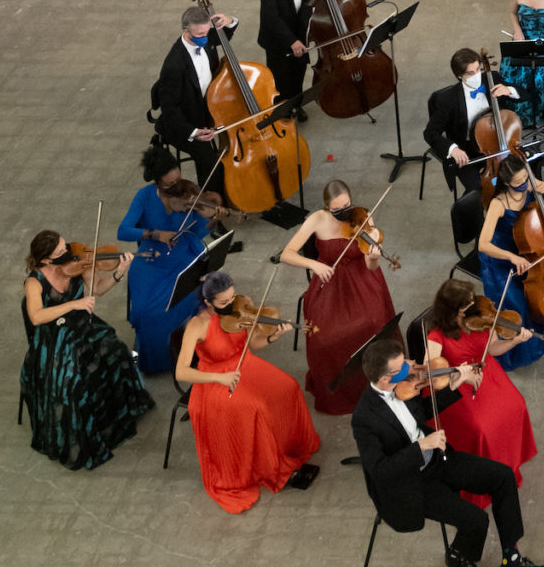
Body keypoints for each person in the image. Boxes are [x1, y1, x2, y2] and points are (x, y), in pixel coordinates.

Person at [351, 330, 544, 567]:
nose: (410, 368)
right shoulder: (364, 419)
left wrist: (453, 385)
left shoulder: (404, 388)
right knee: (476, 520)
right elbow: (380, 471)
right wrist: (420, 446)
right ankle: (459, 556)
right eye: (402, 368)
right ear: (384, 379)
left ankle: (511, 559)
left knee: (503, 477)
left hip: (436, 460)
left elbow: (421, 412)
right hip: (411, 484)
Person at [175, 269, 321, 513]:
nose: (231, 304)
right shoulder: (197, 325)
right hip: (214, 380)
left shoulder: (240, 308)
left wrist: (274, 336)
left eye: (232, 297)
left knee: (288, 387)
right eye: (224, 302)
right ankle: (270, 465)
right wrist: (220, 378)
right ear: (208, 302)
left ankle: (288, 446)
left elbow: (252, 344)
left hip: (244, 364)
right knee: (257, 408)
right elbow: (181, 372)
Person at [20, 230, 154, 471]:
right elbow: (37, 316)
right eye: (60, 252)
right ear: (46, 260)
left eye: (65, 246)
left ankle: (115, 414)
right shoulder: (34, 282)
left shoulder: (79, 262)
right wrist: (74, 304)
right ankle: (82, 429)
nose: (68, 253)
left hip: (83, 327)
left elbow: (98, 289)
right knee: (72, 382)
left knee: (118, 351)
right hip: (54, 338)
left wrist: (119, 272)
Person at [279, 179, 399, 415]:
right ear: (327, 207)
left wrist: (374, 257)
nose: (344, 212)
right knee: (323, 339)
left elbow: (371, 266)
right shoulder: (317, 219)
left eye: (347, 206)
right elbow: (286, 254)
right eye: (337, 209)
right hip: (329, 281)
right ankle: (337, 390)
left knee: (374, 324)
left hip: (362, 280)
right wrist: (314, 264)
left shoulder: (363, 217)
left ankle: (373, 384)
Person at [423, 277, 537, 483]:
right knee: (482, 428)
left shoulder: (482, 318)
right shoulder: (437, 335)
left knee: (517, 405)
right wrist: (460, 374)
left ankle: (509, 464)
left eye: (472, 299)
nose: (474, 305)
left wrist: (515, 340)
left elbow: (492, 349)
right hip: (456, 383)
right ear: (455, 309)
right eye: (468, 304)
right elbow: (431, 373)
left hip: (484, 370)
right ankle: (486, 476)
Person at [116, 143, 212, 375]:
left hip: (184, 255)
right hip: (151, 259)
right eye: (169, 184)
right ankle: (156, 359)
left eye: (178, 179)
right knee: (145, 312)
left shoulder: (191, 192)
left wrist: (208, 216)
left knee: (190, 297)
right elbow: (123, 231)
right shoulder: (145, 196)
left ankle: (188, 347)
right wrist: (155, 234)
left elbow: (199, 231)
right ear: (157, 182)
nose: (176, 187)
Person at [469, 155, 544, 368]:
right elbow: (483, 245)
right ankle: (516, 348)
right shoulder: (498, 203)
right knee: (517, 303)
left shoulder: (528, 184)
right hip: (499, 259)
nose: (523, 184)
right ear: (507, 183)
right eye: (518, 182)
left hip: (527, 249)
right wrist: (511, 257)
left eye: (525, 179)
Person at [423, 46, 520, 199]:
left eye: (478, 69)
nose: (477, 75)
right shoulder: (448, 99)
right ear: (459, 75)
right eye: (471, 73)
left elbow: (524, 94)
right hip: (467, 152)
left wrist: (510, 90)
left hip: (498, 144)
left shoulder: (491, 78)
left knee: (524, 175)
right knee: (477, 189)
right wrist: (453, 149)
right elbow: (430, 133)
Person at [255, 0, 331, 115]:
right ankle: (282, 111)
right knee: (280, 76)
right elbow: (271, 17)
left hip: (299, 25)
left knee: (298, 70)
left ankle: (296, 104)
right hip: (278, 35)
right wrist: (291, 41)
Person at [154, 2, 238, 164]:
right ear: (186, 31)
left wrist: (230, 20)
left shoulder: (205, 37)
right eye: (200, 34)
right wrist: (193, 132)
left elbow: (225, 34)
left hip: (210, 106)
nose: (205, 37)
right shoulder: (174, 65)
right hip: (188, 119)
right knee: (209, 161)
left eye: (207, 32)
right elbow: (170, 108)